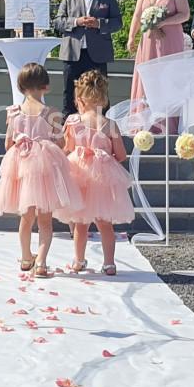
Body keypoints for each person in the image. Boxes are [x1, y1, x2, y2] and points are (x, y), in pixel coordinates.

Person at [0, 63, 83, 279]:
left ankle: (26, 258)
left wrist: (22, 146)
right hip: (45, 168)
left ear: (20, 86)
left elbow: (8, 144)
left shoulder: (13, 112)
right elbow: (60, 143)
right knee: (45, 220)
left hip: (22, 165)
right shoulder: (52, 113)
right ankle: (41, 262)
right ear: (46, 86)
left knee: (26, 217)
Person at [55, 70, 134, 276]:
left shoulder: (72, 121)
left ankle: (79, 261)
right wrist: (105, 157)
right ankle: (109, 264)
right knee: (105, 223)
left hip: (78, 174)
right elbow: (122, 155)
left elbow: (67, 148)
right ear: (104, 98)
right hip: (102, 178)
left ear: (80, 99)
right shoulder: (110, 125)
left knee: (80, 223)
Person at [53, 0, 122, 116]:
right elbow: (57, 22)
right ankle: (69, 126)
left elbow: (117, 23)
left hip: (97, 54)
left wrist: (99, 23)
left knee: (99, 93)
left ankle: (101, 124)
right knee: (70, 94)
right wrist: (76, 21)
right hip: (73, 53)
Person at [128, 0, 191, 111]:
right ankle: (144, 116)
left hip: (169, 41)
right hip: (148, 41)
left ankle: (167, 120)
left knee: (167, 76)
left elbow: (185, 14)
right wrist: (131, 37)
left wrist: (164, 22)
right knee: (147, 76)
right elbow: (137, 16)